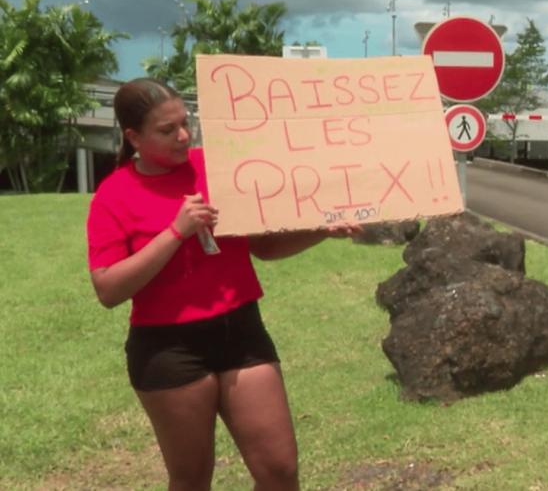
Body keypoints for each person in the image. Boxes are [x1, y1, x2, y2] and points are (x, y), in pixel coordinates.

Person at [86, 77, 362, 491]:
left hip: (241, 331)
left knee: (280, 471)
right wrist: (175, 233)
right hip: (168, 348)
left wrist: (321, 230)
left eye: (186, 122)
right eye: (167, 130)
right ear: (133, 137)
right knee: (192, 479)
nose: (183, 136)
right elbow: (108, 289)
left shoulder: (215, 166)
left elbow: (264, 247)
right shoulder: (113, 196)